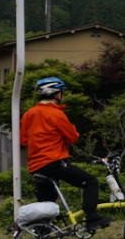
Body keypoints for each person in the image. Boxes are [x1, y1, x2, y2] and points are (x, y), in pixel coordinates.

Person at [19, 76, 111, 230]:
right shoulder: (56, 114)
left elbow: (23, 141)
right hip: (54, 162)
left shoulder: (29, 114)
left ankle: (42, 236)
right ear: (56, 94)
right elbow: (72, 137)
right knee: (90, 182)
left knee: (46, 203)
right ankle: (92, 218)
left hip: (36, 166)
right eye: (61, 92)